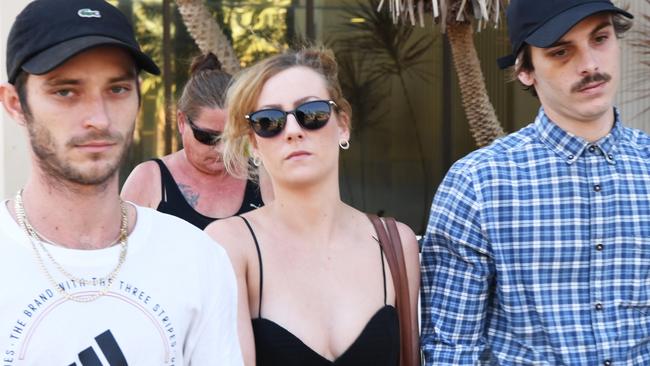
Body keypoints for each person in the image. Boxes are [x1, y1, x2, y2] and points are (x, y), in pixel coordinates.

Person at [0, 0, 242, 364]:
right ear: (15, 104)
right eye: (66, 91)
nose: (98, 118)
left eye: (117, 89)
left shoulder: (196, 259)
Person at [421, 0, 648, 365]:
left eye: (600, 38)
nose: (590, 65)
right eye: (561, 51)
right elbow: (452, 348)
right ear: (525, 70)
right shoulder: (479, 184)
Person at [205, 46, 420, 366]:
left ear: (342, 125)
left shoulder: (395, 243)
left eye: (312, 114)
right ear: (254, 143)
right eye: (269, 121)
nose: (293, 131)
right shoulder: (231, 244)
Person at [121, 53, 270, 230]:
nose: (222, 149)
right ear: (182, 121)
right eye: (208, 137)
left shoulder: (262, 177)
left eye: (231, 137)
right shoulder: (149, 179)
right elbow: (120, 251)